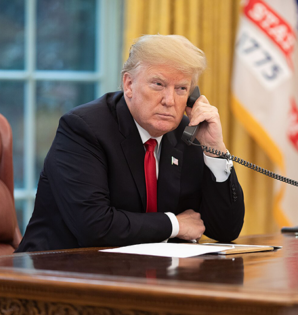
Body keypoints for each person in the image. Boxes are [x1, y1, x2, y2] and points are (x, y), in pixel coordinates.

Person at [16, 35, 245, 252]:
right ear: (129, 84)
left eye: (181, 89)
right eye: (158, 84)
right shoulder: (83, 129)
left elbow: (225, 230)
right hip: (55, 273)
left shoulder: (188, 134)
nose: (169, 101)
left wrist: (215, 150)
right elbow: (95, 227)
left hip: (143, 275)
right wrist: (175, 224)